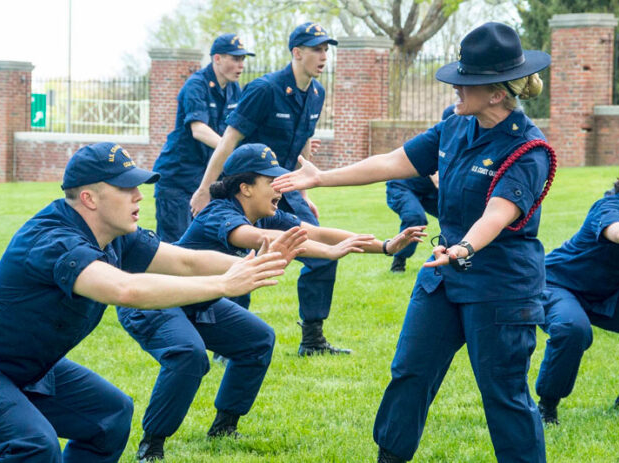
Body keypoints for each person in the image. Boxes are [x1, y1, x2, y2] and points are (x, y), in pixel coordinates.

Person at [273, 22, 552, 463]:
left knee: (505, 394)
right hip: (443, 276)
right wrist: (322, 178)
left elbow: (497, 214)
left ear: (496, 94)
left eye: (465, 82)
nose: (455, 88)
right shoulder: (456, 126)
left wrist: (464, 248)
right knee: (410, 372)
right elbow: (392, 162)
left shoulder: (529, 149)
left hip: (500, 286)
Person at [0, 142, 290, 463]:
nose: (138, 196)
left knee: (109, 416)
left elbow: (185, 261)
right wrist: (224, 284)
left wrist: (250, 265)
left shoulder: (116, 237)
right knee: (33, 445)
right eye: (126, 188)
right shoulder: (54, 240)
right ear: (89, 198)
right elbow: (125, 290)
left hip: (19, 365)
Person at [119, 143, 426, 461]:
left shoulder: (264, 215)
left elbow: (316, 233)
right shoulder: (219, 213)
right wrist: (329, 253)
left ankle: (224, 427)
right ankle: (151, 445)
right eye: (271, 180)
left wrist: (386, 246)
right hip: (156, 300)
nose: (280, 186)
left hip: (198, 300)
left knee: (257, 340)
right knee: (189, 355)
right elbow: (263, 240)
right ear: (245, 188)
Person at [189, 22, 346, 356]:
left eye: (325, 50)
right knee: (241, 259)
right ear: (297, 53)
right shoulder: (264, 89)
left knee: (320, 253)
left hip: (286, 186)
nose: (323, 56)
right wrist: (205, 190)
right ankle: (227, 343)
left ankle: (313, 339)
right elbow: (229, 140)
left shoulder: (317, 93)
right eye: (316, 50)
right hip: (251, 189)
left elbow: (303, 141)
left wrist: (305, 194)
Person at [535, 149, 619, 425]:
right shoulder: (610, 206)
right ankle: (546, 407)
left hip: (608, 292)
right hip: (559, 284)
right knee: (572, 328)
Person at [152, 33, 254, 243]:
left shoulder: (234, 89)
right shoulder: (196, 85)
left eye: (243, 59)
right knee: (174, 247)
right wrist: (231, 150)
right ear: (217, 58)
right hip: (178, 180)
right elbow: (198, 129)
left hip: (206, 178)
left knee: (204, 246)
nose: (241, 65)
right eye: (235, 59)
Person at [384, 105, 453, 272]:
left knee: (457, 217)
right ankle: (399, 261)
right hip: (404, 186)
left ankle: (453, 257)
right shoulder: (439, 142)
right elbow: (439, 180)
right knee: (415, 217)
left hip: (428, 192)